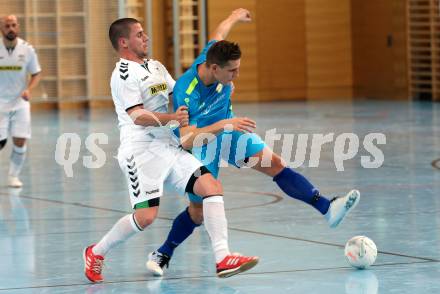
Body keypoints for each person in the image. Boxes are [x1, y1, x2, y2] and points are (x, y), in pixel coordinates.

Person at [146, 8, 361, 276]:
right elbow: (188, 140)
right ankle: (163, 252)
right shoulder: (185, 91)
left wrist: (234, 17)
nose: (236, 75)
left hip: (230, 131)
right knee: (198, 211)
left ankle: (327, 208)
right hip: (202, 142)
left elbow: (219, 33)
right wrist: (224, 124)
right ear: (213, 68)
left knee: (275, 164)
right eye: (232, 71)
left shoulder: (213, 54)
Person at [83, 17, 259, 283]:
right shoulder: (123, 74)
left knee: (211, 187)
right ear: (124, 42)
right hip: (140, 151)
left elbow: (182, 92)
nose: (146, 38)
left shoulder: (155, 66)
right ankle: (95, 252)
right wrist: (173, 119)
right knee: (146, 217)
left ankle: (222, 258)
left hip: (167, 145)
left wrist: (217, 84)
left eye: (144, 33)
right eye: (139, 34)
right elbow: (138, 116)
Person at [0, 15, 41, 188]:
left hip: (20, 103)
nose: (11, 28)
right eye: (7, 25)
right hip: (0, 103)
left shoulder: (27, 49)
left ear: (18, 27)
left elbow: (36, 73)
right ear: (1, 28)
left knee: (20, 140)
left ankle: (13, 176)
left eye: (14, 25)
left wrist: (28, 89)